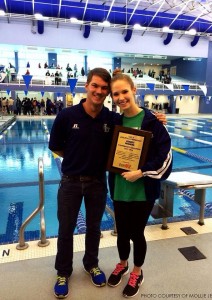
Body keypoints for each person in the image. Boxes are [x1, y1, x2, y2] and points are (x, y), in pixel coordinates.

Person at [48, 68, 167, 299]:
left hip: (97, 183)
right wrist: (75, 159)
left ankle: (91, 264)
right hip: (71, 182)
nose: (99, 91)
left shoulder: (111, 119)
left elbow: (136, 119)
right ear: (87, 86)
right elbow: (56, 146)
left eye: (105, 88)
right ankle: (63, 272)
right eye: (96, 86)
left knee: (94, 229)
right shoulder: (67, 116)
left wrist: (158, 117)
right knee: (65, 230)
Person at [107, 72, 172, 298]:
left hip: (143, 190)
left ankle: (137, 271)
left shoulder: (153, 121)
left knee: (137, 233)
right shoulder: (114, 121)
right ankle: (123, 263)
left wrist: (142, 172)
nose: (121, 97)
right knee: (122, 233)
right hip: (119, 188)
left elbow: (165, 157)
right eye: (116, 94)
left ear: (134, 90)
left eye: (125, 91)